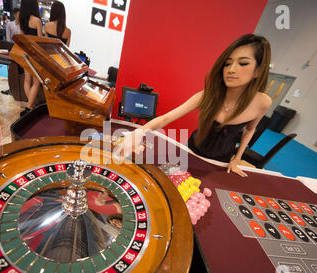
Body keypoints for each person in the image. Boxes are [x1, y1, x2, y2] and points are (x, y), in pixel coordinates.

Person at [114, 34, 272, 177]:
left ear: (258, 71)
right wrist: (139, 131)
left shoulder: (263, 102)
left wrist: (236, 159)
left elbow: (250, 129)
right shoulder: (207, 96)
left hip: (222, 159)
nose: (231, 69)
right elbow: (166, 118)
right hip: (192, 150)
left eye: (243, 63)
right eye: (227, 63)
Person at [19, 0, 43, 111]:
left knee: (27, 80)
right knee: (36, 81)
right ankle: (29, 106)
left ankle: (30, 105)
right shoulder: (37, 21)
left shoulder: (22, 21)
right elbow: (40, 40)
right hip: (34, 55)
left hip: (25, 53)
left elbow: (21, 38)